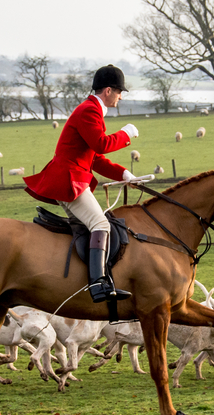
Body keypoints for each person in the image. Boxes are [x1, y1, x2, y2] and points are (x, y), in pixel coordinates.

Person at [24, 64, 139, 303]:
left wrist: (125, 174)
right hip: (69, 180)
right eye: (119, 91)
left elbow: (94, 158)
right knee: (101, 225)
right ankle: (99, 284)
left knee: (88, 226)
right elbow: (101, 144)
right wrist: (126, 134)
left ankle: (76, 281)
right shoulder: (89, 111)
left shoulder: (92, 110)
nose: (120, 96)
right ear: (108, 90)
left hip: (70, 178)